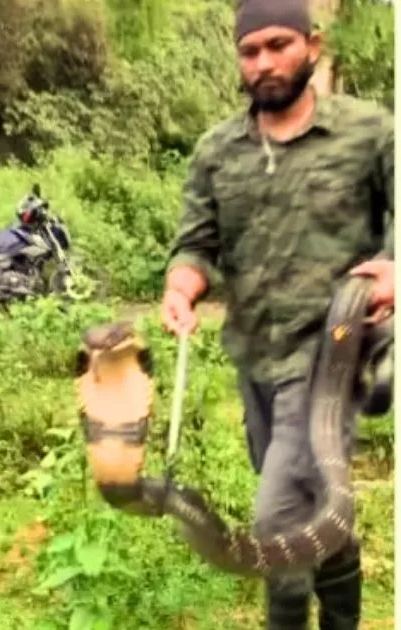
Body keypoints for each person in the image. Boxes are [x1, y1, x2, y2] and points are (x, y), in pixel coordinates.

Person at [159, 1, 394, 628]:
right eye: (250, 50)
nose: (263, 62)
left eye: (278, 45)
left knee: (276, 523)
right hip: (254, 358)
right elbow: (196, 244)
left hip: (332, 354)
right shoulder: (217, 151)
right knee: (314, 500)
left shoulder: (370, 132)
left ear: (312, 46)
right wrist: (182, 287)